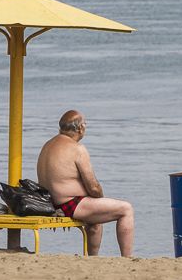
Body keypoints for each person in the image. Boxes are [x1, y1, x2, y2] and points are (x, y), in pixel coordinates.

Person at [36, 110, 134, 257]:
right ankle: (127, 258)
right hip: (68, 204)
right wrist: (100, 198)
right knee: (126, 209)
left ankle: (92, 258)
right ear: (81, 128)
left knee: (95, 220)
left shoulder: (47, 145)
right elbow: (93, 187)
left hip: (49, 202)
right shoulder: (77, 149)